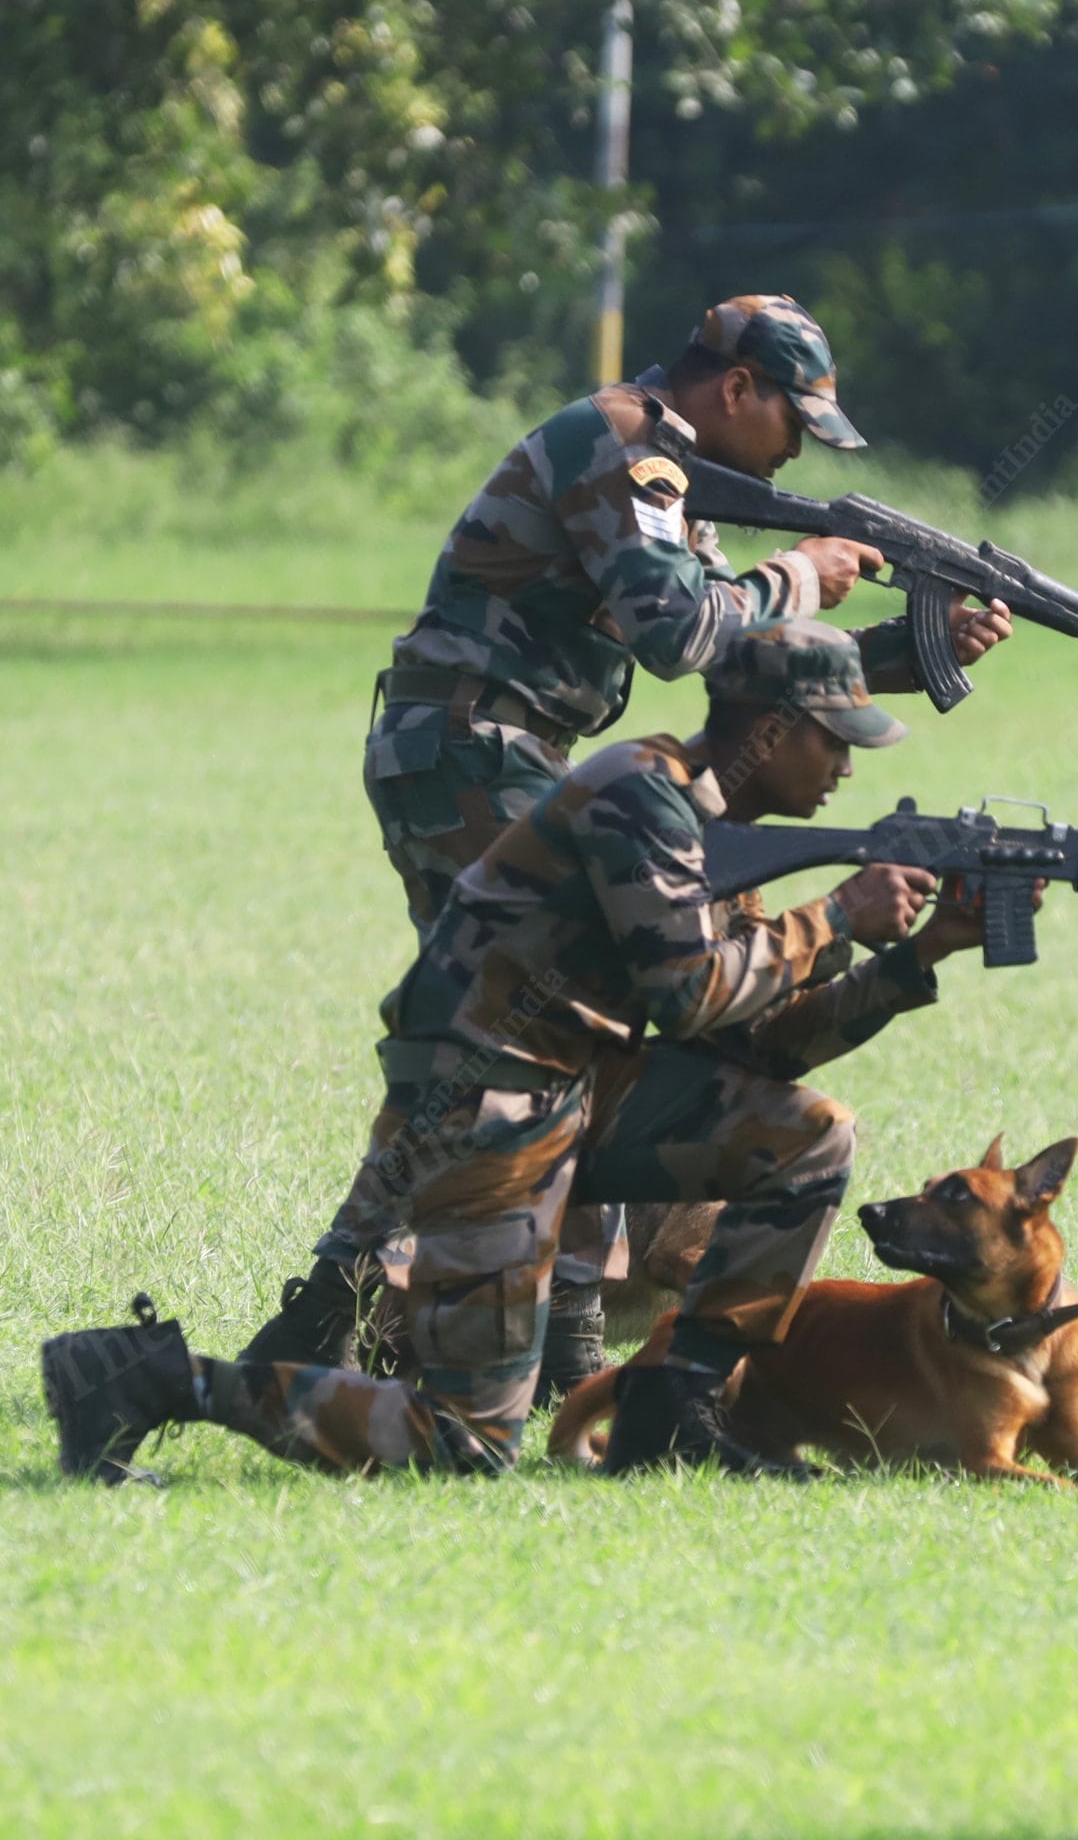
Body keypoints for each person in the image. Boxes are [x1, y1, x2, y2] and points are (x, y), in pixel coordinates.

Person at [240, 293, 1009, 1392]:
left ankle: (505, 1329)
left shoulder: (675, 475)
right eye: (794, 423)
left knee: (559, 1034)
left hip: (506, 749)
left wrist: (903, 647)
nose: (795, 453)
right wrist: (806, 571)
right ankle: (385, 1320)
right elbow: (680, 633)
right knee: (523, 1038)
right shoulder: (627, 444)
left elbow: (750, 676)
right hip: (473, 750)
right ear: (737, 388)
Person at [45, 625, 1007, 1484]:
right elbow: (687, 992)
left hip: (573, 1092)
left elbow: (761, 1041)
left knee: (808, 1139)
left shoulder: (723, 839)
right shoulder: (639, 794)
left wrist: (918, 955)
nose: (846, 766)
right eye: (833, 739)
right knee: (469, 1441)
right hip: (483, 1103)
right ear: (771, 727)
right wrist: (837, 914)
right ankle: (148, 1378)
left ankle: (674, 1410)